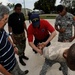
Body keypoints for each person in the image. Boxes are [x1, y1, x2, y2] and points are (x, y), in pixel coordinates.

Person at [0, 4, 29, 75]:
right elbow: (10, 28)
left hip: (13, 61)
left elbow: (6, 36)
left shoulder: (1, 30)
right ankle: (20, 58)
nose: (6, 22)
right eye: (5, 19)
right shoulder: (12, 17)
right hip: (9, 68)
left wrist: (13, 46)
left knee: (23, 47)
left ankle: (21, 72)